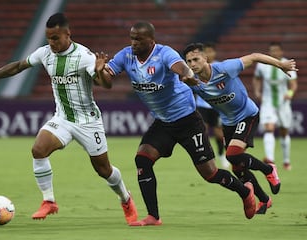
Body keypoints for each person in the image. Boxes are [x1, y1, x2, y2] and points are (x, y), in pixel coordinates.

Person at [0, 12, 138, 224]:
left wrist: (99, 71)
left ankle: (125, 198)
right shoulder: (45, 53)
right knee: (38, 149)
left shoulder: (84, 56)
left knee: (104, 170)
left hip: (88, 121)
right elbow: (20, 65)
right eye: (48, 38)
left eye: (56, 38)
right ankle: (49, 201)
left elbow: (106, 84)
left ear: (68, 34)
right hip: (63, 118)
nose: (52, 42)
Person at [95, 21, 258, 226]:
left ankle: (245, 192)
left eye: (138, 39)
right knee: (143, 160)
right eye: (132, 38)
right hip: (163, 122)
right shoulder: (126, 55)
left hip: (187, 120)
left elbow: (180, 66)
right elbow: (106, 84)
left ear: (150, 40)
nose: (133, 43)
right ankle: (153, 216)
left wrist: (186, 74)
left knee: (210, 173)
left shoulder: (164, 53)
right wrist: (100, 72)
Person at [183, 43, 297, 214]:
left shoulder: (225, 68)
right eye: (189, 61)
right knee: (238, 168)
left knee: (233, 154)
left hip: (247, 114)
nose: (192, 64)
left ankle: (269, 169)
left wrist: (281, 65)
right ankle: (265, 200)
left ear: (205, 58)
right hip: (228, 122)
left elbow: (254, 56)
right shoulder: (191, 81)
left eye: (196, 59)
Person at [252, 42, 298, 171]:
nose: (274, 53)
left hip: (283, 103)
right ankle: (270, 160)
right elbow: (256, 78)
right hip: (268, 102)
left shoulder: (287, 64)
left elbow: (293, 84)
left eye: (277, 51)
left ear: (281, 52)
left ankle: (286, 160)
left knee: (284, 132)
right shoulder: (262, 65)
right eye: (272, 51)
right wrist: (257, 91)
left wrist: (290, 93)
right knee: (269, 128)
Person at [196, 42, 229, 169]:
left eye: (211, 51)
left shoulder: (219, 67)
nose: (209, 54)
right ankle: (209, 157)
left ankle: (221, 155)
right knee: (203, 131)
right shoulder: (196, 67)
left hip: (216, 106)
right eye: (206, 52)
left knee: (219, 134)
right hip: (202, 105)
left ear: (214, 53)